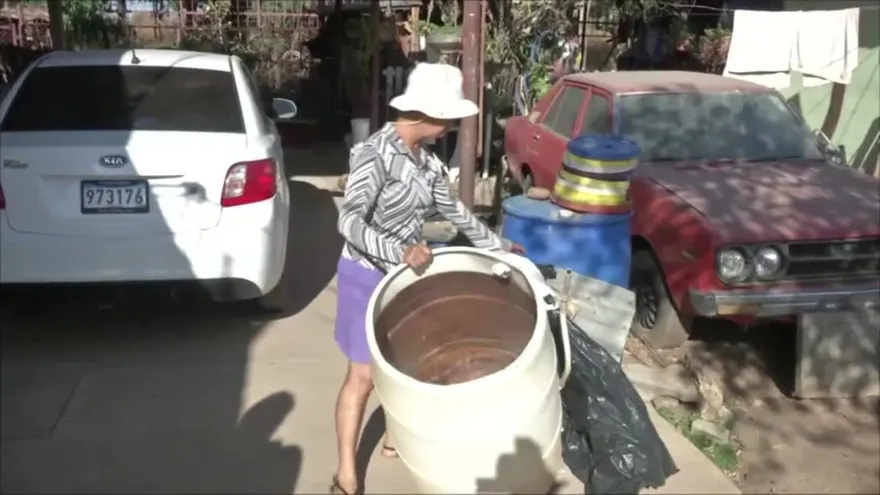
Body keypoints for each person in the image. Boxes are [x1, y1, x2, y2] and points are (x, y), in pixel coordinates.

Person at [330, 62, 522, 495]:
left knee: (403, 364)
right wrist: (398, 251)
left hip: (405, 277)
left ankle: (394, 441)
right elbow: (349, 222)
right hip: (366, 273)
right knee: (362, 377)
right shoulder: (375, 154)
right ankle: (346, 473)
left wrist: (501, 247)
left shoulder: (429, 164)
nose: (452, 124)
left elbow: (455, 214)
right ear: (425, 114)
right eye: (449, 116)